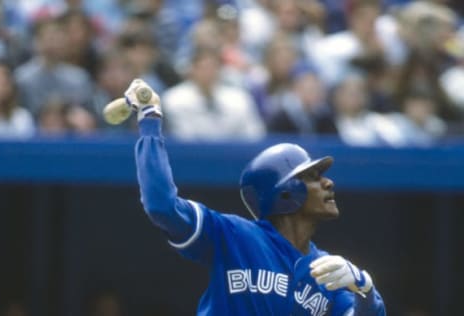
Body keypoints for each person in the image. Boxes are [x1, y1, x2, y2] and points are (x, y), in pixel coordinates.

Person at [124, 79, 386, 315]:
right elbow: (161, 205)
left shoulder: (328, 271)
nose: (328, 183)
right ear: (286, 192)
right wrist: (150, 119)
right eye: (314, 176)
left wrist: (364, 289)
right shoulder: (234, 235)